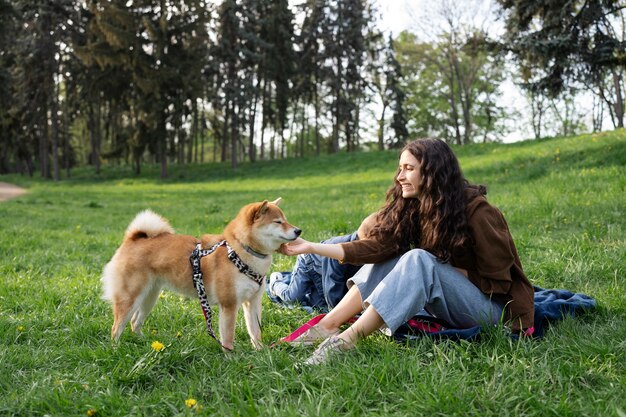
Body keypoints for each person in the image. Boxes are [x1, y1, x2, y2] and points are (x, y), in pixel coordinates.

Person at [280, 138, 535, 365]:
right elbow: (377, 248)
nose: (400, 176)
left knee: (418, 259)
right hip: (454, 304)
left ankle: (346, 341)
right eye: (400, 168)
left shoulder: (480, 214)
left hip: (494, 312)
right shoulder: (418, 207)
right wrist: (312, 247)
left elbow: (500, 283)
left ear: (433, 173)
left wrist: (442, 269)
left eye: (409, 169)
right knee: (394, 257)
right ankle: (328, 325)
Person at [267, 214, 378, 311]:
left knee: (317, 306)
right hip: (308, 261)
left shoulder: (370, 253)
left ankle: (291, 278)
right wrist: (336, 309)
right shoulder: (341, 249)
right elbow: (332, 282)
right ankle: (275, 283)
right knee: (293, 298)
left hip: (321, 272)